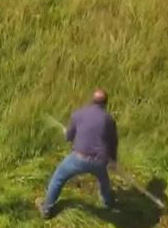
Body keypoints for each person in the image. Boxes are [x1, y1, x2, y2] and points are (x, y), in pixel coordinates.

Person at [39, 89, 117, 218]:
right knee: (104, 179)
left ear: (92, 101)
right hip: (99, 161)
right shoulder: (109, 120)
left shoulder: (78, 114)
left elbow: (69, 137)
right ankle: (108, 203)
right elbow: (113, 142)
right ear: (105, 103)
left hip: (79, 159)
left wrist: (67, 133)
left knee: (58, 177)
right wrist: (113, 160)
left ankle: (46, 208)